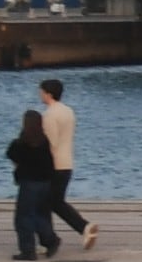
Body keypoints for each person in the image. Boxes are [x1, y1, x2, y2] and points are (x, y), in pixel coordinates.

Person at [33, 76, 96, 252]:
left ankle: (50, 239)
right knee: (55, 202)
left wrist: (41, 166)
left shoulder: (49, 115)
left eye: (42, 91)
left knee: (44, 204)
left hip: (54, 165)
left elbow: (51, 143)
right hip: (67, 162)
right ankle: (82, 228)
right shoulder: (68, 111)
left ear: (48, 94)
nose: (40, 95)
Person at [3, 106, 58, 260]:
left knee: (23, 217)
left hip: (29, 183)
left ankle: (28, 250)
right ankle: (50, 240)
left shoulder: (22, 143)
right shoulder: (44, 141)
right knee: (39, 215)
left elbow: (11, 155)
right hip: (46, 182)